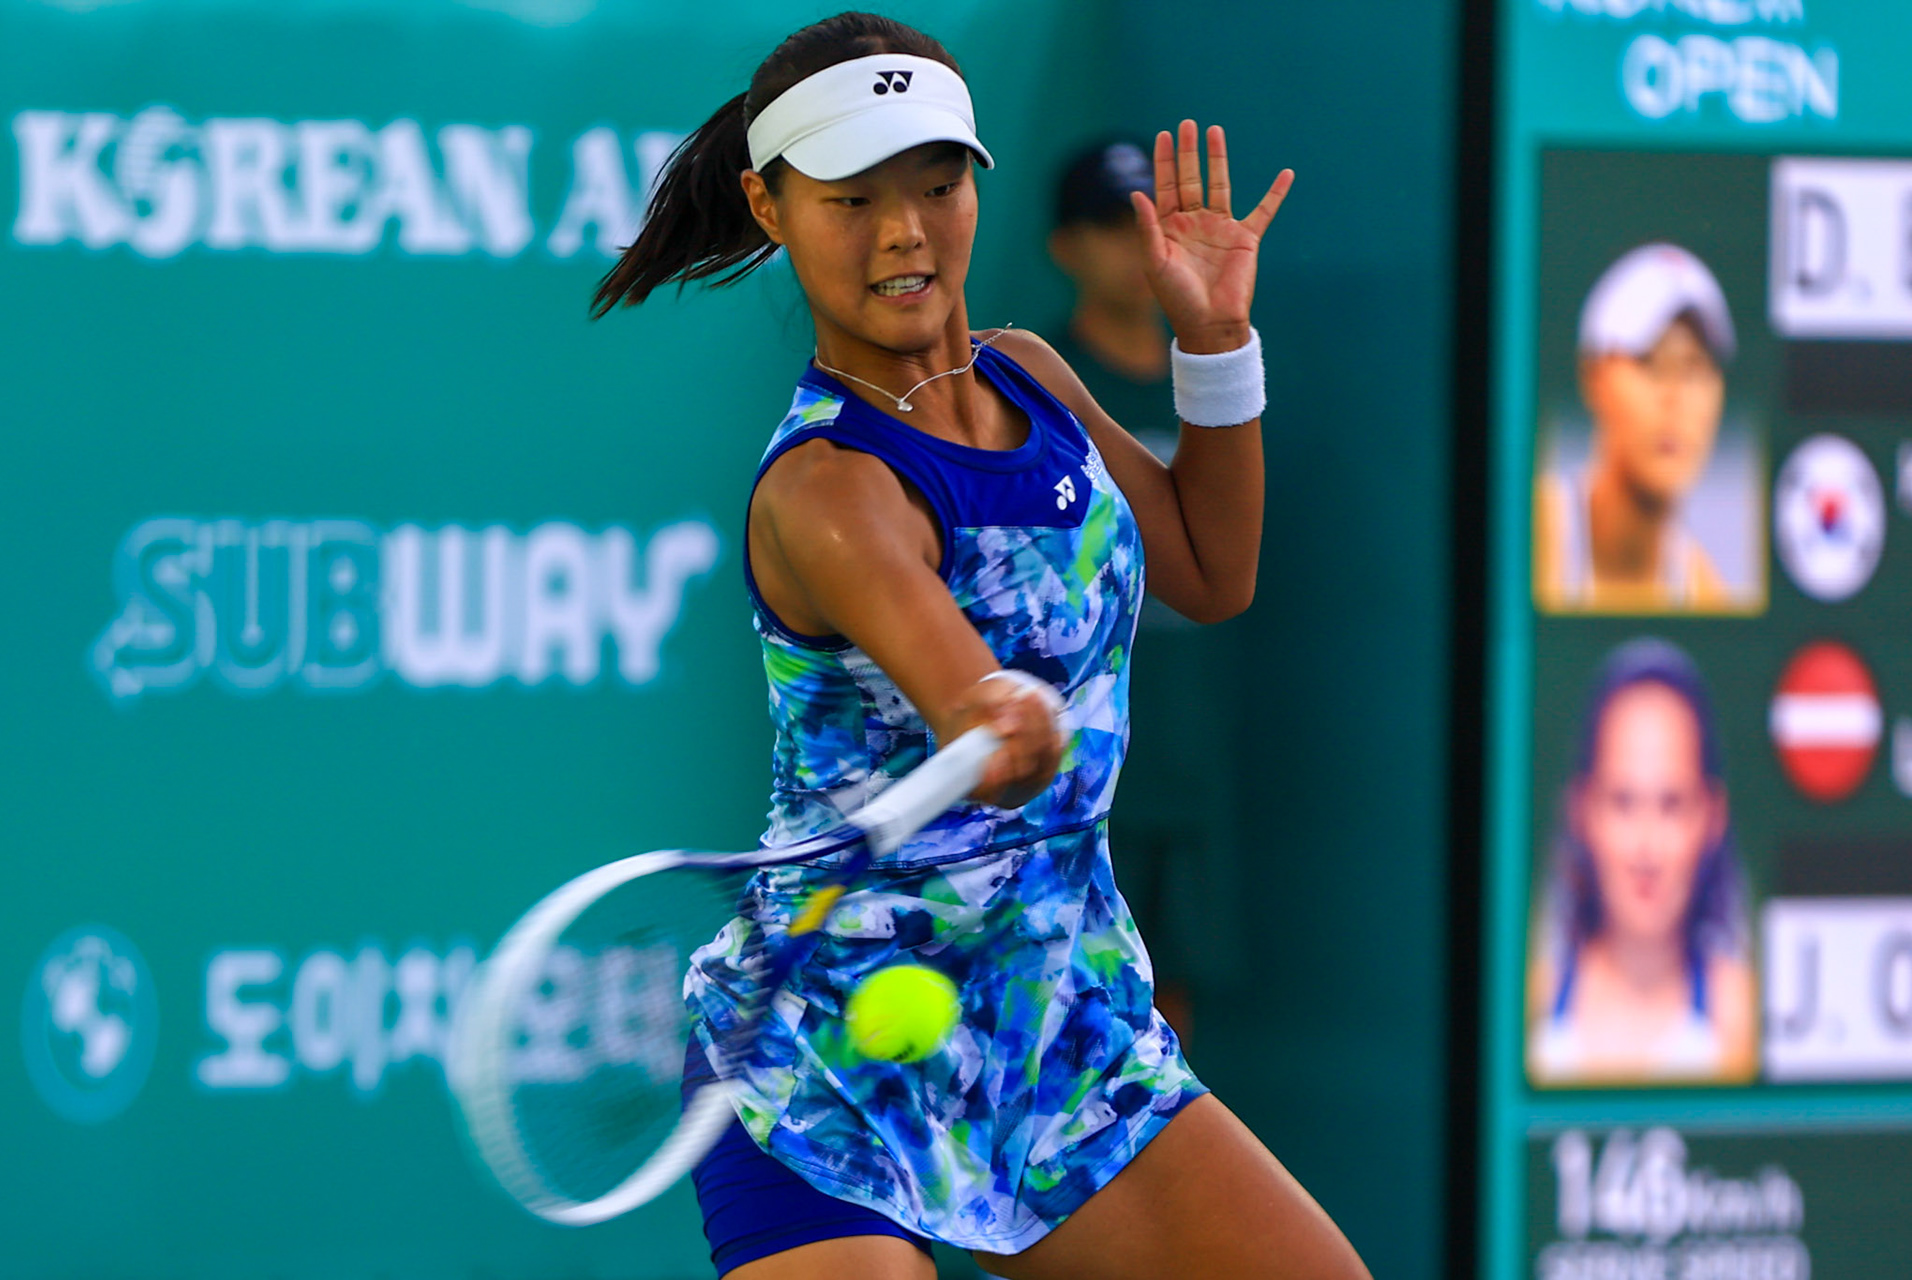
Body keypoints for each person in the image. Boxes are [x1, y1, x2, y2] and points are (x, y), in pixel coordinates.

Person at [591, 12, 1367, 1280]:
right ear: (770, 207)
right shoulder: (827, 486)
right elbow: (959, 689)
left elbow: (1214, 571)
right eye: (851, 199)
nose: (904, 232)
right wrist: (986, 706)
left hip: (1063, 1023)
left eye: (937, 185)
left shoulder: (1033, 374)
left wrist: (1214, 338)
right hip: (827, 1051)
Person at [1528, 638, 1756, 1085]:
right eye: (1623, 802)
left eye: (1671, 804)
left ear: (1712, 817)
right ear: (1582, 811)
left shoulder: (1745, 1019)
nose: (1646, 850)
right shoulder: (1525, 1006)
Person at [1533, 243, 1742, 613]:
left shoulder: (1709, 596)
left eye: (1695, 368)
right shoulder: (1527, 537)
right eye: (1650, 362)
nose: (1676, 397)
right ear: (1592, 378)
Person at [1046, 140, 1176, 460]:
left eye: (1153, 222)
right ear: (1065, 247)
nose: (1140, 242)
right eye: (1113, 224)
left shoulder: (1217, 376)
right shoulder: (1040, 384)